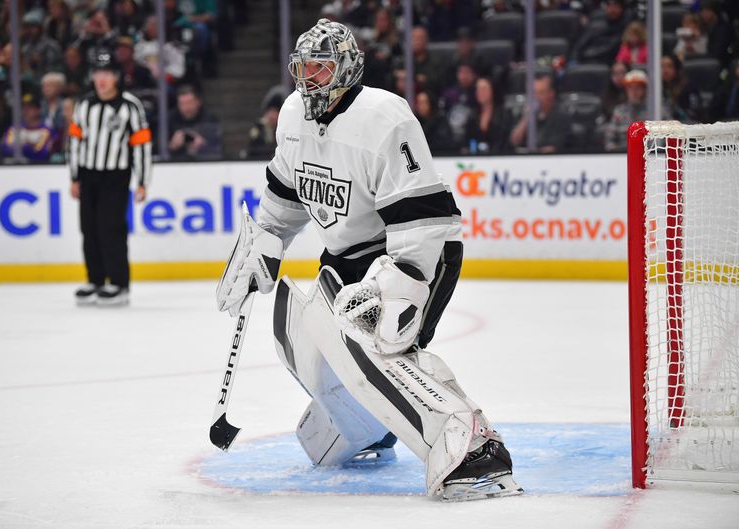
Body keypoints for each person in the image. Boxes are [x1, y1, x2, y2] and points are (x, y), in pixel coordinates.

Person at [215, 19, 522, 502]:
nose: (307, 78)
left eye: (320, 68)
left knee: (378, 343)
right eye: (302, 68)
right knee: (299, 333)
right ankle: (366, 426)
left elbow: (423, 216)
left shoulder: (384, 117)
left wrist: (402, 284)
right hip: (346, 254)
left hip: (414, 252)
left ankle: (473, 446)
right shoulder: (293, 113)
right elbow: (285, 197)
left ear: (347, 68)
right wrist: (263, 244)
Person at [67, 51, 152, 306]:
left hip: (116, 175)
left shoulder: (130, 105)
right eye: (97, 74)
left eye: (107, 74)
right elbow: (74, 141)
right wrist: (74, 176)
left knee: (111, 229)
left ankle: (118, 283)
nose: (101, 79)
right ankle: (95, 280)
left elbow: (142, 145)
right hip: (88, 175)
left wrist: (142, 181)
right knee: (89, 228)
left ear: (116, 77)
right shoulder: (84, 104)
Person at [509, 74, 569, 153]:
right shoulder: (526, 113)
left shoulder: (561, 116)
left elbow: (555, 147)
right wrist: (526, 118)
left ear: (551, 93)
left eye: (541, 92)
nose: (536, 97)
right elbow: (514, 141)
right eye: (533, 92)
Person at [1, 91, 59, 162]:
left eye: (30, 107)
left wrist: (20, 147)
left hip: (36, 169)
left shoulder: (47, 131)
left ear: (38, 110)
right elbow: (5, 149)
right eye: (23, 107)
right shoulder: (13, 129)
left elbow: (41, 153)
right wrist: (29, 146)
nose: (26, 110)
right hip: (12, 168)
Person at [168, 85, 222, 160]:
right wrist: (172, 145)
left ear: (198, 102)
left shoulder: (209, 119)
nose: (186, 108)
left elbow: (217, 149)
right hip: (174, 164)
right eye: (182, 104)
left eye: (189, 103)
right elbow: (156, 148)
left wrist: (202, 145)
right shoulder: (170, 119)